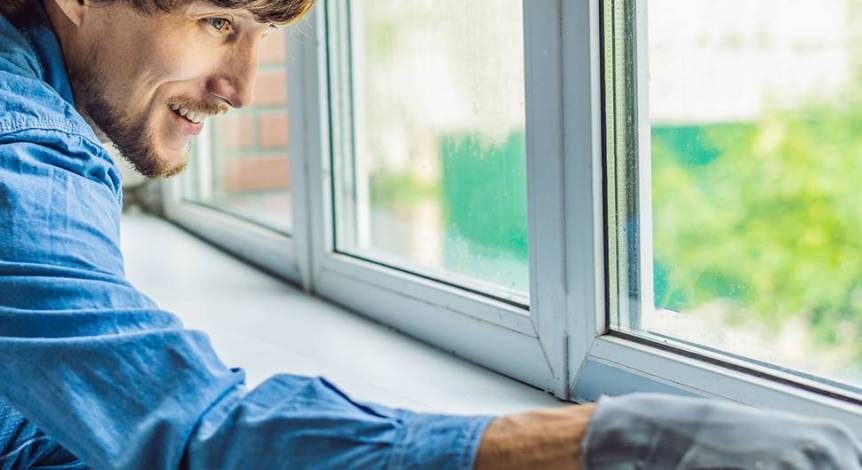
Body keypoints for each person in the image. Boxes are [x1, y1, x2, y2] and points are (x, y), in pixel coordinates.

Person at [0, 1, 859, 468]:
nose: (241, 86)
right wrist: (604, 442)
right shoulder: (23, 146)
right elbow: (184, 432)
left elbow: (50, 418)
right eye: (219, 22)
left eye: (260, 35)